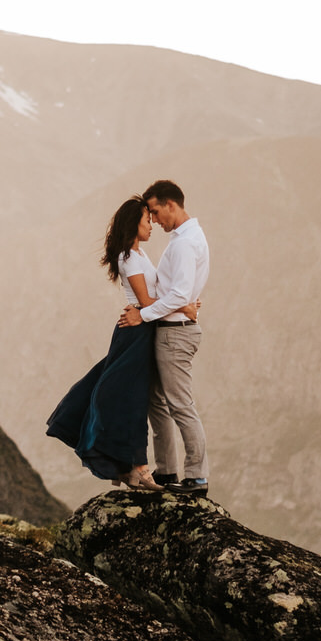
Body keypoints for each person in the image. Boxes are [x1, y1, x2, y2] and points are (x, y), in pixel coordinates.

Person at [46, 196, 199, 490]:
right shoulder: (128, 257)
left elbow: (150, 302)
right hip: (136, 334)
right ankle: (139, 470)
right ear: (133, 222)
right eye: (146, 219)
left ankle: (132, 469)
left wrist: (176, 305)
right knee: (131, 400)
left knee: (129, 397)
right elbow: (145, 302)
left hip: (143, 328)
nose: (152, 224)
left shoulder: (138, 255)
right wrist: (184, 308)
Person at [118, 179, 210, 497]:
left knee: (180, 405)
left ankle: (197, 477)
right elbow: (178, 293)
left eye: (156, 212)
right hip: (171, 329)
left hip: (174, 333)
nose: (154, 220)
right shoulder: (189, 237)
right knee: (157, 402)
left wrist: (143, 314)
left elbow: (180, 292)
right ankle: (168, 470)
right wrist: (185, 303)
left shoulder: (184, 243)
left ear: (171, 204)